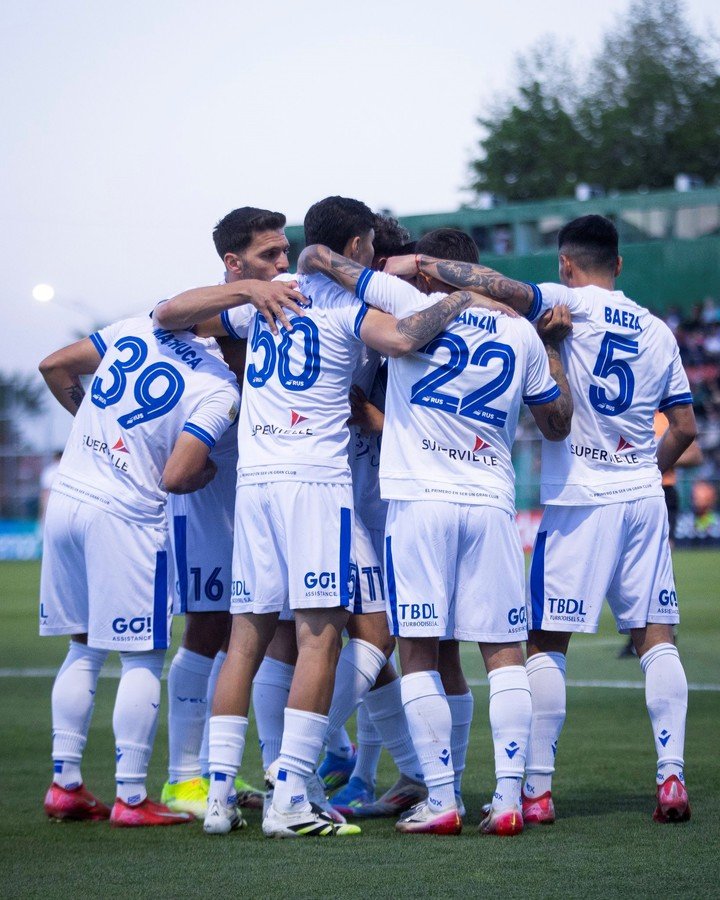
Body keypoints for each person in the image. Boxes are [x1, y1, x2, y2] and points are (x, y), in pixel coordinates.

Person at [153, 195, 486, 838]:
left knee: (245, 639)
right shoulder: (346, 305)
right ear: (358, 248)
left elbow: (168, 313)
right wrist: (466, 298)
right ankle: (291, 793)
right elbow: (407, 334)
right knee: (322, 637)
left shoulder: (265, 298)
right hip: (317, 485)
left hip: (257, 485)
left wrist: (250, 287)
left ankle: (219, 797)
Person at [392, 214, 697, 824]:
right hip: (641, 495)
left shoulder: (563, 302)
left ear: (565, 263)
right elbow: (685, 428)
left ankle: (535, 788)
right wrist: (639, 469)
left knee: (542, 643)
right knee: (655, 638)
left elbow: (495, 286)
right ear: (619, 264)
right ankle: (671, 778)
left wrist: (422, 266)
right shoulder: (660, 331)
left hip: (579, 498)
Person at [297, 231, 572, 836]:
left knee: (418, 648)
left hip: (419, 503)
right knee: (504, 655)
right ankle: (506, 800)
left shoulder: (404, 301)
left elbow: (329, 264)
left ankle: (441, 797)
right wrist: (551, 345)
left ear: (432, 274)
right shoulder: (521, 330)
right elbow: (557, 423)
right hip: (491, 502)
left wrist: (338, 257)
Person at [38, 311, 241, 826]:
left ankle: (65, 785)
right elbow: (176, 477)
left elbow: (54, 365)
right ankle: (130, 797)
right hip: (124, 514)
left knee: (82, 649)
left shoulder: (139, 327)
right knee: (142, 659)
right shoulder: (220, 385)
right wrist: (208, 468)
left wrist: (92, 424)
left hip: (67, 497)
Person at [159, 207, 293, 817]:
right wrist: (247, 288)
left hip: (278, 489)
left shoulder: (292, 302)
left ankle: (295, 763)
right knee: (213, 629)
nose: (283, 265)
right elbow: (166, 312)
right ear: (234, 264)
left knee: (295, 631)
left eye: (285, 252)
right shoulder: (227, 308)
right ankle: (186, 778)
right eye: (269, 255)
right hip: (216, 499)